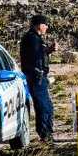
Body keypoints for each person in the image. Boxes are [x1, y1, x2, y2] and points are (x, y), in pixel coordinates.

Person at [19, 14, 55, 143]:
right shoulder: (32, 39)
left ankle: (47, 133)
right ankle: (45, 135)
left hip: (40, 77)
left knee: (47, 106)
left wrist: (48, 51)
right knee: (43, 107)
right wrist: (47, 50)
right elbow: (35, 56)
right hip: (36, 77)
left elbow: (39, 55)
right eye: (45, 24)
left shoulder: (35, 38)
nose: (46, 27)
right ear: (39, 25)